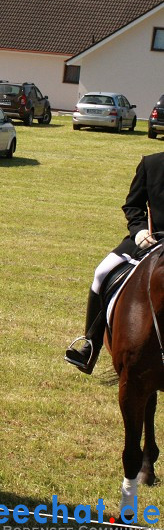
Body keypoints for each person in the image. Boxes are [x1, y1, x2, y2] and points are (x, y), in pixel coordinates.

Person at [65, 153, 164, 374]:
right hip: (150, 240)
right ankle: (90, 345)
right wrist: (139, 232)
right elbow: (133, 206)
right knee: (101, 272)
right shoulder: (151, 163)